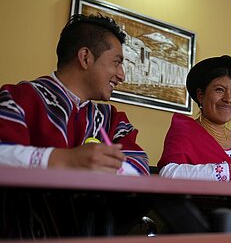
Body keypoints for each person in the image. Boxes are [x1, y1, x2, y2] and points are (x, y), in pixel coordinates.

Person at [0, 14, 149, 176]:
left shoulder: (112, 119)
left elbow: (139, 166)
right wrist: (64, 160)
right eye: (117, 62)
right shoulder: (18, 99)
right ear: (85, 57)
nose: (122, 75)